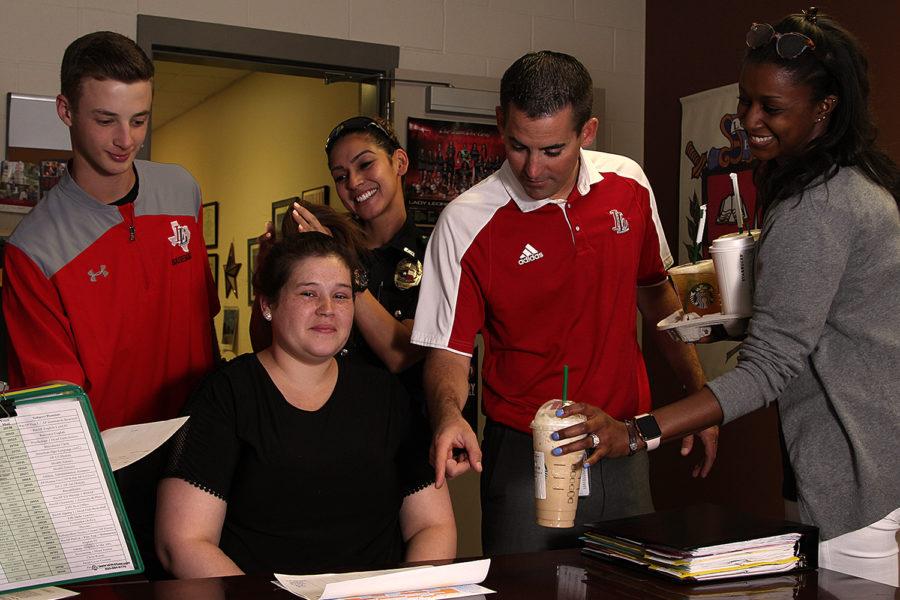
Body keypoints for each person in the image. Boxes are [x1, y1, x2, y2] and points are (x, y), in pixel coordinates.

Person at [554, 9, 899, 586]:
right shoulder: (857, 181)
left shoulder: (817, 207)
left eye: (772, 108)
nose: (749, 120)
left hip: (858, 475)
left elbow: (769, 369)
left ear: (825, 108)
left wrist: (635, 431)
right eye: (746, 101)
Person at [410, 50, 718, 555]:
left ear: (587, 131)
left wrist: (697, 394)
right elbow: (449, 351)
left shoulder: (628, 185)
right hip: (524, 451)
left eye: (552, 150)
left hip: (622, 442)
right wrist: (448, 414)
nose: (533, 169)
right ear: (500, 124)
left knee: (629, 589)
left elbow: (656, 295)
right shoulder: (464, 223)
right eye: (517, 146)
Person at [1, 31, 219, 575]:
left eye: (140, 120)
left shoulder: (182, 191)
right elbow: (54, 410)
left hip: (204, 454)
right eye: (106, 120)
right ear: (65, 111)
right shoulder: (33, 251)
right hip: (113, 478)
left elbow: (202, 321)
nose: (126, 140)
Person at [156, 232, 456, 578]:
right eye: (308, 293)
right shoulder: (224, 395)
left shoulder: (386, 396)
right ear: (268, 304)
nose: (327, 309)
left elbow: (433, 526)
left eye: (341, 295)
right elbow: (183, 543)